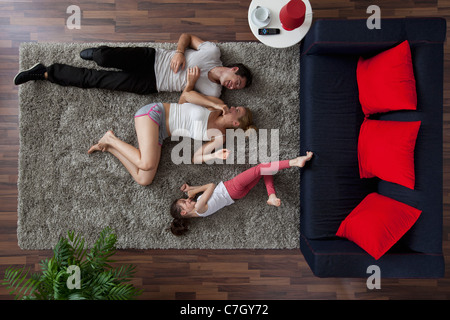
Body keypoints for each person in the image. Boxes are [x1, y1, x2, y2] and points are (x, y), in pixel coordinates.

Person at [87, 66, 255, 186]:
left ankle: (110, 147)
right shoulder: (217, 104)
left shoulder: (220, 137)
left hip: (161, 134)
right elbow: (187, 96)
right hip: (155, 113)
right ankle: (110, 138)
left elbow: (195, 158)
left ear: (235, 123)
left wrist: (214, 155)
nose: (233, 107)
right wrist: (218, 106)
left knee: (144, 180)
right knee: (146, 164)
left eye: (237, 110)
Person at [13, 33, 252, 97]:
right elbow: (187, 36)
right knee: (104, 58)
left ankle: (45, 72)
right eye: (237, 82)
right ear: (233, 69)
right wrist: (180, 52)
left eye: (237, 89)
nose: (233, 86)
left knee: (95, 80)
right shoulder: (212, 51)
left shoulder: (214, 92)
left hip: (151, 83)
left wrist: (189, 85)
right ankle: (97, 53)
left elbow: (185, 101)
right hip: (154, 58)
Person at [169, 151, 314, 236]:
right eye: (184, 203)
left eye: (184, 199)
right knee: (260, 168)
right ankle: (295, 162)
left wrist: (193, 189)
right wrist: (196, 190)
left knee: (265, 169)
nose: (187, 200)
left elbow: (207, 192)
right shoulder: (199, 207)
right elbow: (211, 186)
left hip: (236, 195)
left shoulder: (199, 211)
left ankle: (271, 195)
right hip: (231, 188)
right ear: (183, 213)